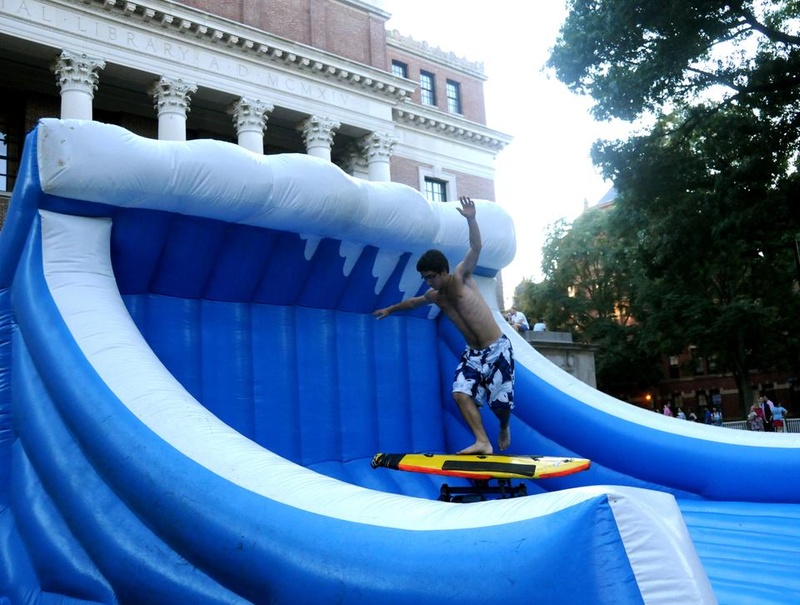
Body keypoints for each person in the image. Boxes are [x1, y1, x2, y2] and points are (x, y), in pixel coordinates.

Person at [373, 197, 514, 455]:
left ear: (443, 271)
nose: (428, 282)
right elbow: (414, 302)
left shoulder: (461, 277)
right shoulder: (435, 296)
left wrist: (471, 219)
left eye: (430, 277)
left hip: (497, 348)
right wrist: (390, 309)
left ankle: (504, 426)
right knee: (459, 393)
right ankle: (482, 441)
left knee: (500, 405)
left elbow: (476, 246)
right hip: (473, 354)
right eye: (424, 278)